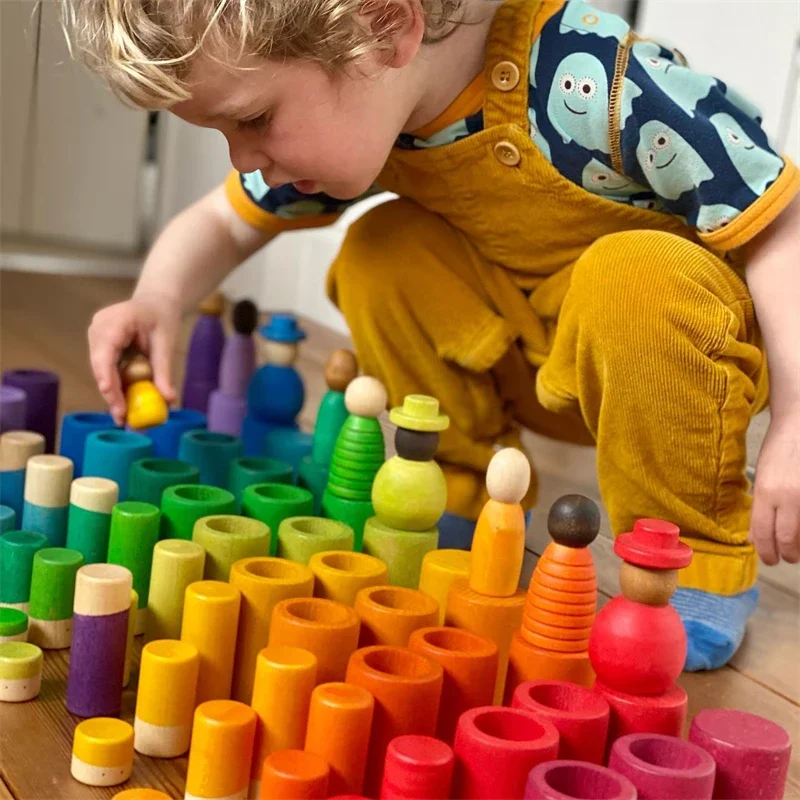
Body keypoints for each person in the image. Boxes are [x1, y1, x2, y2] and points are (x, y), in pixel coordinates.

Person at [68, 0, 799, 670]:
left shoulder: (597, 82)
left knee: (635, 275)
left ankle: (691, 560)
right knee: (382, 250)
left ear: (385, 30)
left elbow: (776, 213)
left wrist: (795, 420)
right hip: (527, 351)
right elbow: (226, 219)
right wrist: (157, 299)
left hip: (666, 375)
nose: (242, 156)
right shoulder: (380, 97)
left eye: (253, 120)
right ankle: (462, 504)